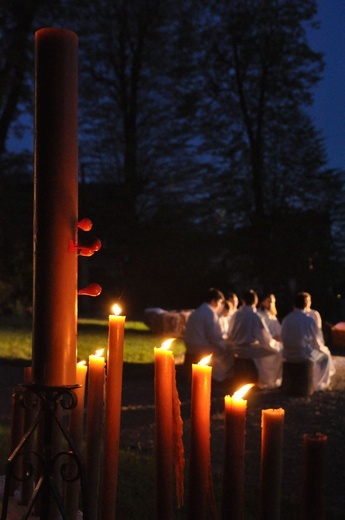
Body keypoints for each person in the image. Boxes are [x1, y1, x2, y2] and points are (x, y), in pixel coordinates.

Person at [228, 289, 283, 389]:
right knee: (277, 352)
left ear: (242, 301)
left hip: (235, 348)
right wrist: (276, 345)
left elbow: (229, 333)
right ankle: (267, 380)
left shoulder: (235, 315)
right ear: (256, 302)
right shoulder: (255, 317)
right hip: (249, 350)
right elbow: (265, 339)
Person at [281, 292, 335, 391]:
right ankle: (317, 385)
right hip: (304, 353)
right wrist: (322, 349)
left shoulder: (286, 319)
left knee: (318, 354)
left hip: (287, 353)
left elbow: (283, 337)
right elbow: (316, 341)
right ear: (306, 304)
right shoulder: (309, 320)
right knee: (324, 358)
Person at [184, 287, 233, 382]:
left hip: (189, 345)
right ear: (214, 301)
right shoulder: (210, 314)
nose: (220, 306)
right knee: (228, 352)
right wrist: (226, 345)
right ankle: (219, 378)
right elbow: (214, 337)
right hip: (200, 347)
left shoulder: (196, 312)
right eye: (219, 303)